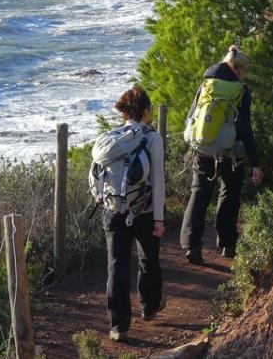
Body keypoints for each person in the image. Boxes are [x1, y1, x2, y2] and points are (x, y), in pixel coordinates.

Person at [90, 87, 166, 342]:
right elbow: (158, 181)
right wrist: (159, 218)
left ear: (123, 112)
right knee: (149, 258)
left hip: (113, 210)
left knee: (116, 266)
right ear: (145, 111)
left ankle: (118, 326)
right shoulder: (152, 138)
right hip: (143, 210)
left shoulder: (108, 139)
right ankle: (149, 307)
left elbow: (96, 176)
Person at [180, 45, 263, 264]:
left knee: (199, 193)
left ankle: (191, 245)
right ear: (238, 69)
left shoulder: (207, 82)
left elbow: (192, 114)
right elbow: (244, 127)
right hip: (230, 150)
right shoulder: (240, 90)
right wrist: (255, 162)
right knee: (230, 192)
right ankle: (227, 243)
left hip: (203, 147)